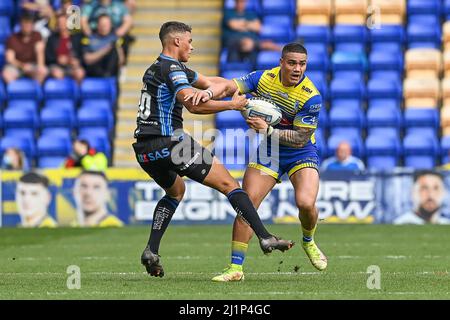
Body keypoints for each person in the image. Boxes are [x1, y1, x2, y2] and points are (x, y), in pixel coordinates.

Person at [132, 21, 294, 278]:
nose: (192, 47)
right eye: (190, 41)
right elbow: (193, 105)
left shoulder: (157, 68)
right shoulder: (173, 69)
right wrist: (232, 105)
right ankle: (265, 237)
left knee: (176, 191)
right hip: (170, 143)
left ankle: (151, 250)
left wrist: (236, 85)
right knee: (231, 186)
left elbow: (209, 82)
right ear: (177, 42)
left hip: (144, 150)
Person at [186, 42, 327, 282]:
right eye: (292, 63)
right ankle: (235, 268)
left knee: (305, 203)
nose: (297, 68)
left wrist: (268, 130)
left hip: (300, 152)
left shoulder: (311, 96)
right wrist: (210, 92)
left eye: (302, 64)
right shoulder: (264, 78)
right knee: (247, 205)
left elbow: (301, 137)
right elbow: (230, 85)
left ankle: (308, 240)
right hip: (269, 151)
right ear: (281, 62)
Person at [222, 0, 281, 66]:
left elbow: (258, 28)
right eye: (239, 2)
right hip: (235, 41)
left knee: (260, 44)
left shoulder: (250, 14)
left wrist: (242, 24)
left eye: (243, 2)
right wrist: (250, 24)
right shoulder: (228, 12)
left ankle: (279, 49)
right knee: (249, 43)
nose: (241, 4)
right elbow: (233, 25)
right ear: (235, 2)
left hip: (253, 41)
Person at [2, 13, 49, 84]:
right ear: (20, 25)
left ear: (32, 25)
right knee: (6, 74)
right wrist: (23, 66)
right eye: (25, 24)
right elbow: (10, 59)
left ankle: (36, 92)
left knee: (43, 71)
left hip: (32, 65)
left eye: (29, 24)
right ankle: (16, 92)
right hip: (16, 66)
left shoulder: (37, 35)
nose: (27, 26)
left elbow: (40, 52)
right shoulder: (12, 38)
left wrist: (40, 67)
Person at [45, 12, 85, 83]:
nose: (62, 24)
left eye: (64, 22)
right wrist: (57, 59)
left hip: (72, 66)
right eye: (59, 22)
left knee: (80, 73)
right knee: (57, 73)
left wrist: (77, 61)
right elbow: (48, 56)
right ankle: (60, 93)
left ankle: (77, 93)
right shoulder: (52, 38)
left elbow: (81, 54)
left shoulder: (76, 38)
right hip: (56, 65)